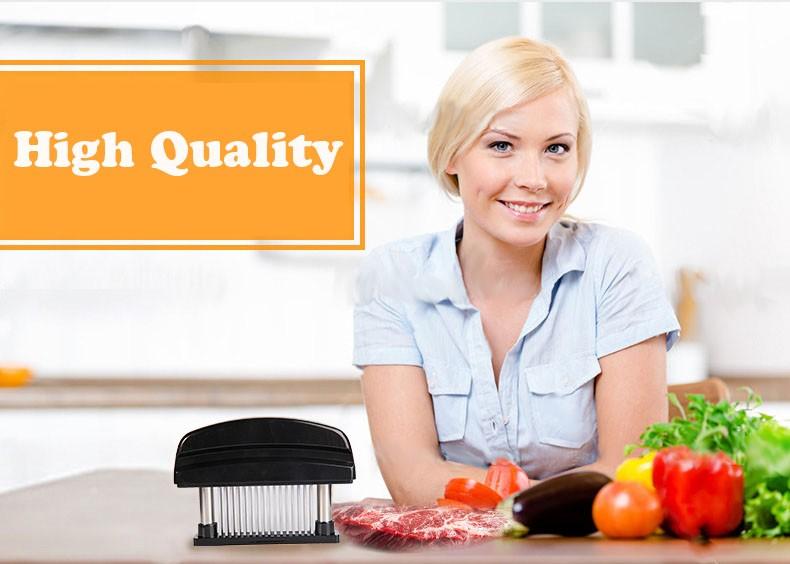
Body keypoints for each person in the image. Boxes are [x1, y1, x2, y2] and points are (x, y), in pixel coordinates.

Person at [353, 37, 680, 507]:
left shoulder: (615, 265)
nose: (534, 178)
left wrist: (507, 502)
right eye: (502, 145)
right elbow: (410, 477)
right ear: (451, 153)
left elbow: (631, 468)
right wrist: (530, 503)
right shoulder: (394, 277)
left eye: (557, 148)